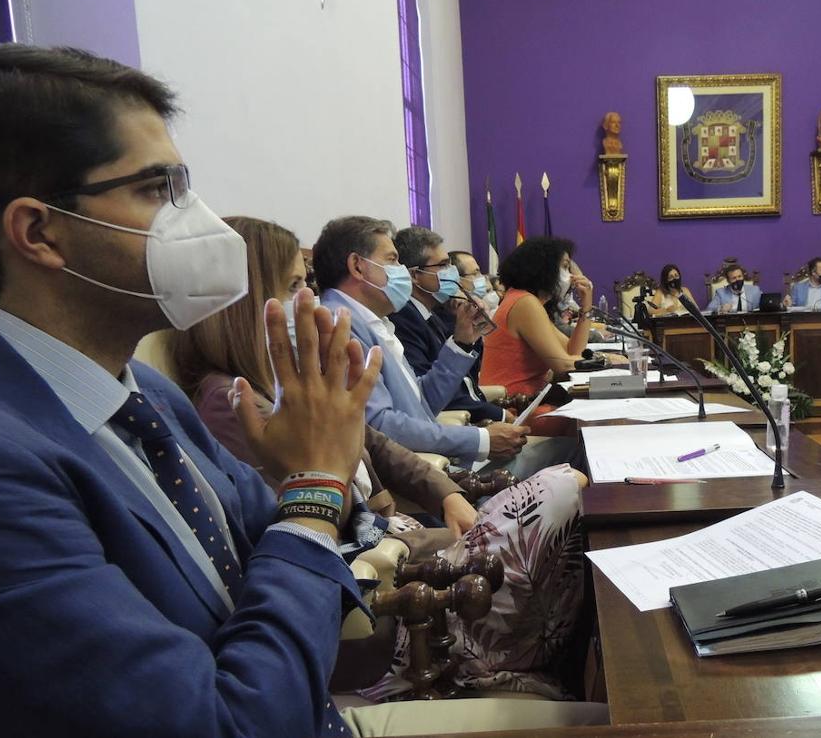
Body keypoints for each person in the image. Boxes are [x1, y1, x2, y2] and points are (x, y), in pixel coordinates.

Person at [0, 42, 378, 737]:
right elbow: (224, 725)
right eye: (158, 190)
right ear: (39, 232)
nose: (197, 222)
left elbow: (277, 546)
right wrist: (316, 485)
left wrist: (313, 483)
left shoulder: (144, 391)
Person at [172, 217, 588, 704]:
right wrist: (392, 505)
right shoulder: (235, 399)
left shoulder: (299, 371)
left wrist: (448, 491)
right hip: (378, 565)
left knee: (568, 495)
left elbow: (380, 435)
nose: (309, 300)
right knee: (562, 488)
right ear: (245, 302)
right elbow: (310, 513)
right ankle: (512, 659)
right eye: (294, 286)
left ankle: (549, 658)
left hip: (399, 531)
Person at [313, 217, 574, 478]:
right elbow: (381, 425)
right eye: (392, 260)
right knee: (573, 453)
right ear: (358, 267)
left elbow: (422, 401)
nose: (401, 270)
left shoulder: (370, 321)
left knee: (574, 448)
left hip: (441, 455)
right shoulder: (340, 325)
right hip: (421, 473)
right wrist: (479, 440)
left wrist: (461, 342)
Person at [391, 227, 506, 423]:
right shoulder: (404, 319)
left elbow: (468, 380)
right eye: (443, 265)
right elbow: (434, 396)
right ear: (415, 275)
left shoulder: (432, 313)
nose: (452, 272)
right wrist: (501, 417)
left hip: (476, 417)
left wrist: (468, 324)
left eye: (450, 264)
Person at [482, 237, 596, 400]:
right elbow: (563, 365)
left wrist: (586, 307)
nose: (570, 276)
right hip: (514, 406)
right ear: (544, 267)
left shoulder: (525, 299)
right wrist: (603, 361)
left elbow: (572, 351)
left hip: (529, 399)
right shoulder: (524, 303)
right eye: (564, 267)